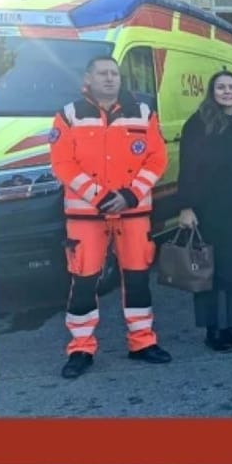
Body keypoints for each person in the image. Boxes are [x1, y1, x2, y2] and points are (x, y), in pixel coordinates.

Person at [49, 56, 171, 379]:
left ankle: (142, 342)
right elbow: (63, 163)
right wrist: (99, 197)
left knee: (137, 280)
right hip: (86, 216)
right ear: (87, 78)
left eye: (114, 73)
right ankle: (81, 348)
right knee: (84, 282)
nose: (109, 78)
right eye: (102, 73)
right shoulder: (69, 115)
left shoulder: (143, 112)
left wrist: (130, 195)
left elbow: (157, 159)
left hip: (133, 213)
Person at [177, 72, 232, 351]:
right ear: (212, 92)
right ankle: (214, 329)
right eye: (221, 87)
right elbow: (188, 167)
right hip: (210, 209)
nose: (227, 92)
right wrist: (186, 207)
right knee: (210, 273)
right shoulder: (199, 123)